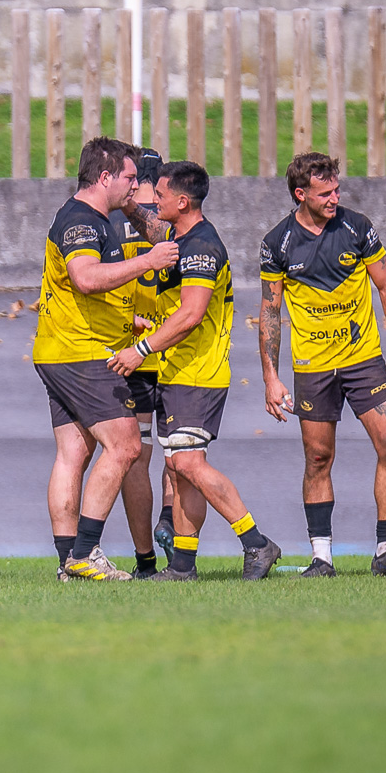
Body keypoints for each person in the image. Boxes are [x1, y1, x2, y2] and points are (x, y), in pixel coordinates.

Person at [107, 160, 281, 581]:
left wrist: (139, 350)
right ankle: (183, 566)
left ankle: (256, 542)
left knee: (186, 464)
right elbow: (153, 227)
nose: (154, 200)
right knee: (180, 467)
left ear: (182, 202)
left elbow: (190, 314)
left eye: (161, 195)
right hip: (178, 372)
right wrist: (128, 205)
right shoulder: (178, 236)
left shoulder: (202, 247)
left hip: (197, 374)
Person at [257, 152, 386, 577]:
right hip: (313, 367)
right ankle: (321, 558)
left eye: (337, 189)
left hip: (363, 359)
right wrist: (271, 378)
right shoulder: (278, 243)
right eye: (325, 193)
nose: (335, 198)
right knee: (318, 458)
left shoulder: (357, 227)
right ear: (300, 194)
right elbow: (270, 311)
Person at [35, 137, 180, 581]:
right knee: (127, 446)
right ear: (104, 177)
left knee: (73, 452)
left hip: (58, 350)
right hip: (83, 354)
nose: (137, 189)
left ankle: (67, 563)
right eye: (131, 179)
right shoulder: (83, 221)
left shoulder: (92, 216)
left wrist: (127, 318)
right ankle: (84, 553)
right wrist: (149, 261)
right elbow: (84, 278)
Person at [119, 146, 166, 576]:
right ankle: (173, 527)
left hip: (128, 352)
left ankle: (144, 559)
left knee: (136, 457)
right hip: (173, 349)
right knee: (183, 452)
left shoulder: (109, 218)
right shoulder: (176, 219)